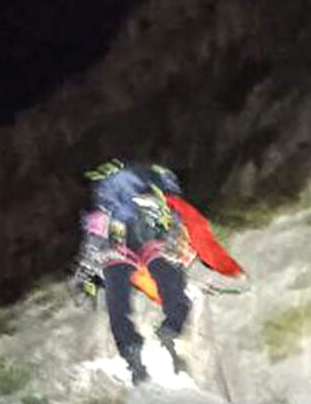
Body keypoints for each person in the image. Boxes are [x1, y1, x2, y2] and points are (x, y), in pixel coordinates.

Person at [73, 159, 244, 384]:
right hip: (152, 239)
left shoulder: (104, 205)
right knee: (173, 291)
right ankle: (170, 330)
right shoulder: (159, 194)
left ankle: (133, 358)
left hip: (114, 244)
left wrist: (86, 274)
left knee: (118, 304)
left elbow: (94, 239)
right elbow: (182, 230)